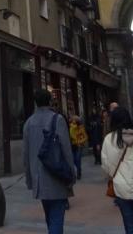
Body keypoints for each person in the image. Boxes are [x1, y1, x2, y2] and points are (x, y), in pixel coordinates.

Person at [23, 88, 76, 234]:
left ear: (35, 102)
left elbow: (25, 155)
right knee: (56, 218)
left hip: (39, 180)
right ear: (50, 101)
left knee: (50, 217)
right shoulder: (57, 120)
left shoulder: (28, 123)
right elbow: (66, 150)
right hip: (57, 176)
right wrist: (72, 173)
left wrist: (29, 179)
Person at [69, 115, 88, 179]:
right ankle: (78, 169)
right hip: (73, 145)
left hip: (78, 146)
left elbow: (85, 136)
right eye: (73, 120)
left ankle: (79, 172)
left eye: (75, 120)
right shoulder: (71, 127)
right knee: (74, 159)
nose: (73, 121)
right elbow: (72, 135)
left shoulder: (81, 128)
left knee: (78, 159)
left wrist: (80, 141)